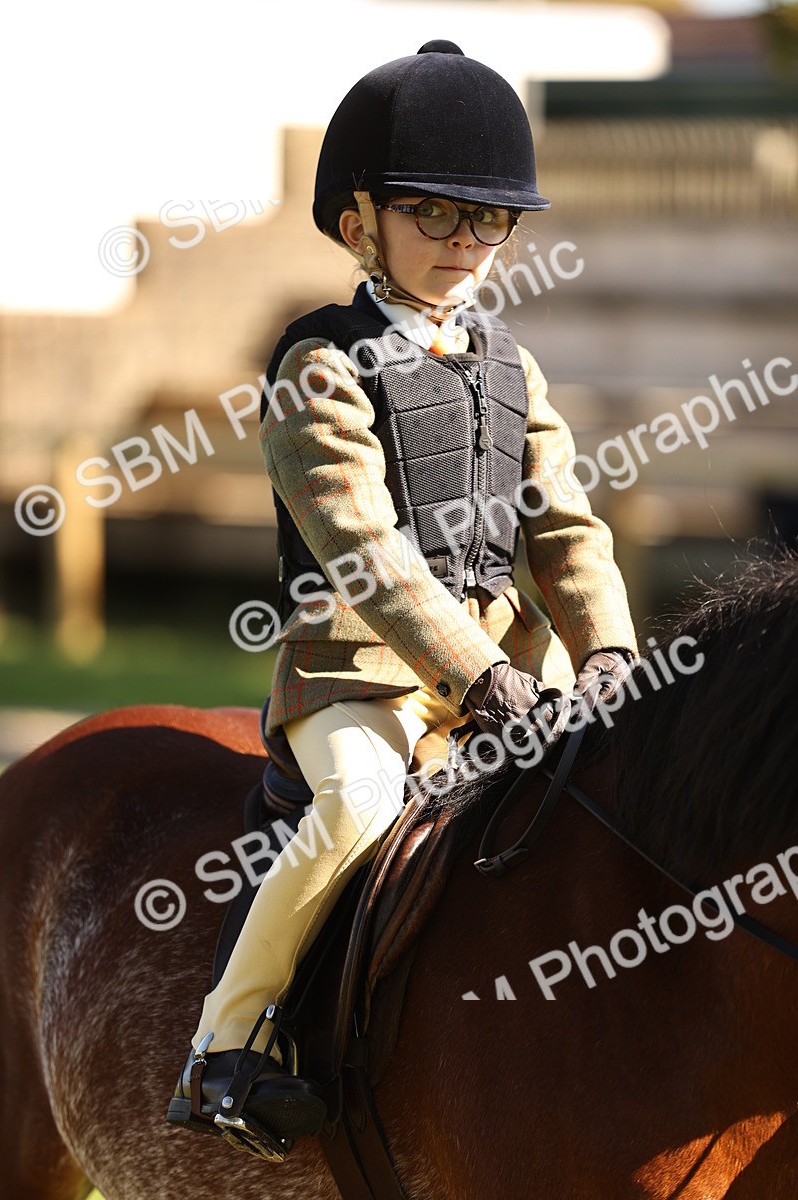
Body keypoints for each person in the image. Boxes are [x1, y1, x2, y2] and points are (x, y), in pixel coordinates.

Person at [167, 39, 638, 1160]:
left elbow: (565, 528)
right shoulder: (319, 364)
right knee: (361, 806)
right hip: (363, 672)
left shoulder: (508, 366)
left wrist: (611, 653)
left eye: (488, 223)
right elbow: (363, 550)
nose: (466, 245)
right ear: (357, 221)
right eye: (433, 214)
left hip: (511, 668)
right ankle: (225, 1049)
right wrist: (475, 677)